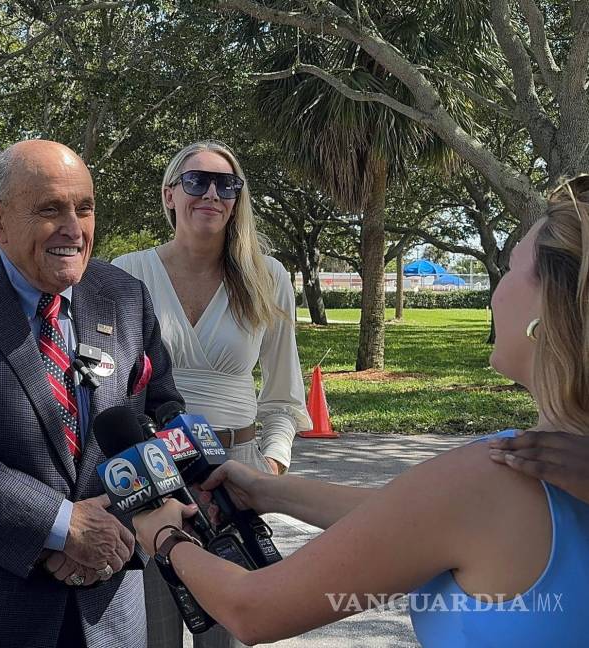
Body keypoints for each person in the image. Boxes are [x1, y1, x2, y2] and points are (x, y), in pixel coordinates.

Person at [131, 178, 589, 646]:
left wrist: (166, 537)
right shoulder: (565, 470)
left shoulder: (497, 474)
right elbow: (411, 514)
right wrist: (269, 491)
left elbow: (254, 609)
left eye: (510, 268)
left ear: (550, 307)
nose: (496, 289)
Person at [0, 139, 183, 648]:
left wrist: (115, 525)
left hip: (106, 608)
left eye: (84, 209)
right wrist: (60, 525)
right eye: (50, 209)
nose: (73, 228)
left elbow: (163, 415)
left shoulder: (124, 295)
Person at [113, 140, 310, 648]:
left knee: (225, 632)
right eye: (196, 181)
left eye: (226, 184)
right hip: (153, 474)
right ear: (169, 195)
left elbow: (285, 394)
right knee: (153, 628)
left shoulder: (268, 277)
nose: (212, 194)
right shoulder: (125, 273)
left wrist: (270, 467)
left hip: (234, 471)